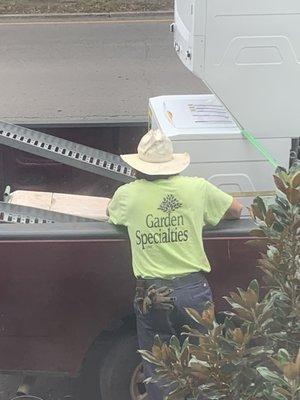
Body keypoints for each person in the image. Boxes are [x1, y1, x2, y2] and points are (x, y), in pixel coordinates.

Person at [107, 129, 243, 400]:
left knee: (160, 371)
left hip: (154, 295)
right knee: (205, 369)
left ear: (140, 166)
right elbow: (237, 210)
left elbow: (111, 215)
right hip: (194, 291)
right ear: (172, 164)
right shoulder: (197, 188)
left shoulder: (127, 195)